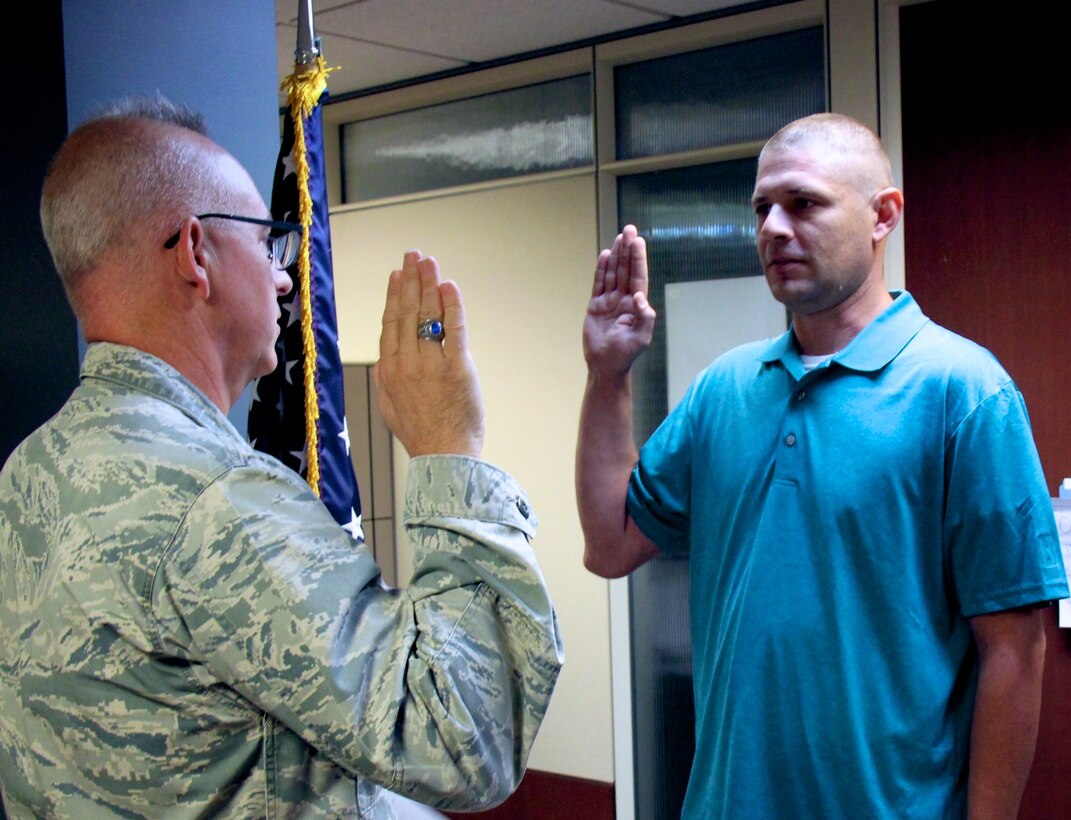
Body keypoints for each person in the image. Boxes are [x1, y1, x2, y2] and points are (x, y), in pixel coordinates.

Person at [0, 97, 563, 818]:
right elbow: (465, 738)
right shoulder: (215, 498)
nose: (285, 277)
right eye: (269, 244)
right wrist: (448, 448)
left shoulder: (32, 469)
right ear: (196, 254)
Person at [576, 112, 1068, 818]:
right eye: (761, 208)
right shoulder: (725, 387)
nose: (773, 227)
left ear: (882, 215)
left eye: (803, 203)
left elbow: (1014, 652)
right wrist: (608, 376)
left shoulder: (963, 392)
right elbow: (610, 540)